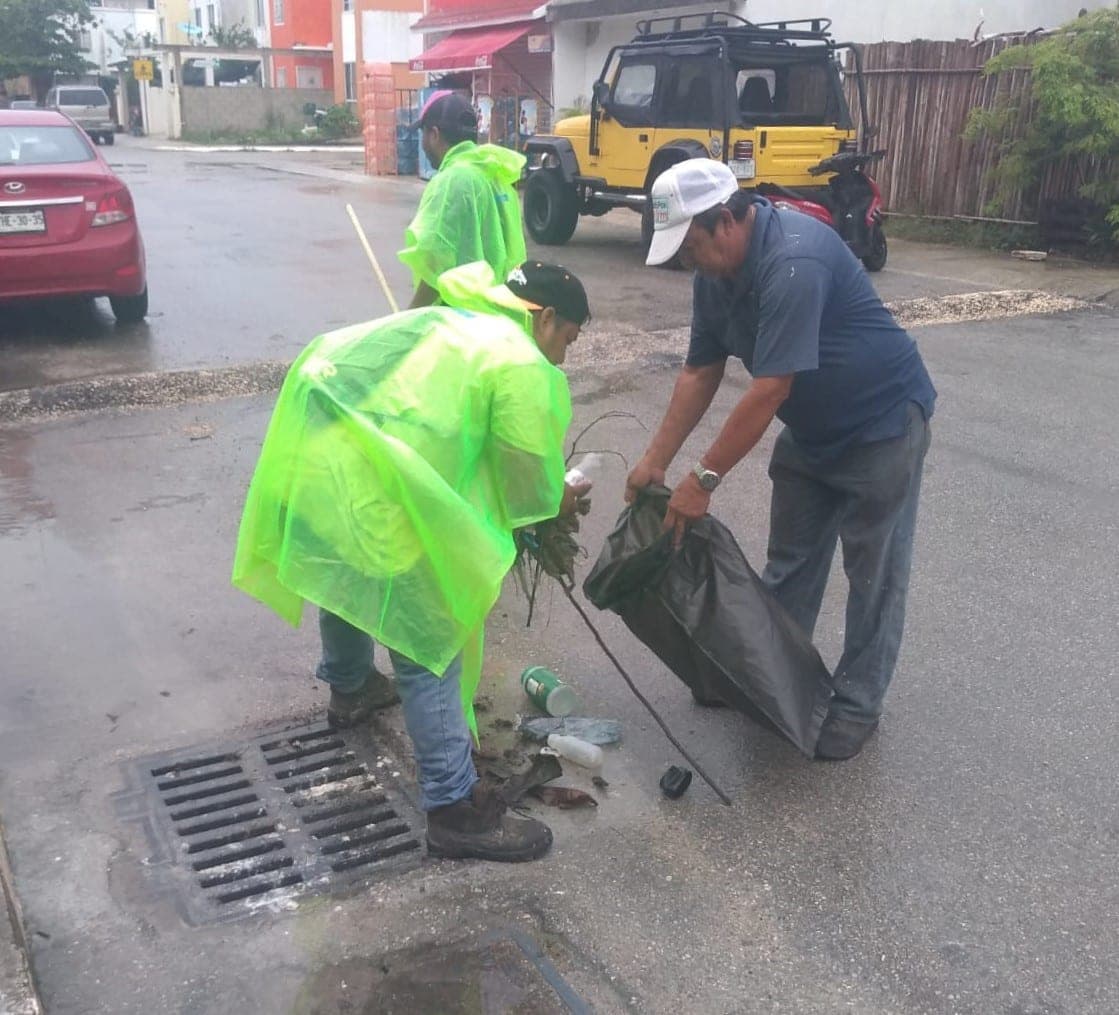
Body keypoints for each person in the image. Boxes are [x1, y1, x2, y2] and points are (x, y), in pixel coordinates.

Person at [233, 260, 591, 862]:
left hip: (325, 467)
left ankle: (350, 688)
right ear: (547, 318)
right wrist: (562, 497)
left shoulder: (450, 321)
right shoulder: (518, 359)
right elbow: (526, 478)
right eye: (568, 342)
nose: (563, 358)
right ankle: (455, 811)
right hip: (382, 490)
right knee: (430, 639)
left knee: (348, 577)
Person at [629, 158, 936, 761]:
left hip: (881, 425)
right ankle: (768, 676)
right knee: (791, 563)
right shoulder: (713, 278)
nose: (684, 262)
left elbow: (770, 389)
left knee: (873, 575)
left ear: (724, 222)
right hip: (813, 433)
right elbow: (700, 369)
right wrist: (655, 462)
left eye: (688, 247)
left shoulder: (794, 261)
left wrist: (704, 478)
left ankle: (856, 702)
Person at [401, 91, 527, 309]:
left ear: (434, 134)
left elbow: (436, 261)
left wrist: (409, 318)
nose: (423, 143)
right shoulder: (496, 175)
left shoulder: (453, 180)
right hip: (498, 312)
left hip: (461, 320)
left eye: (423, 134)